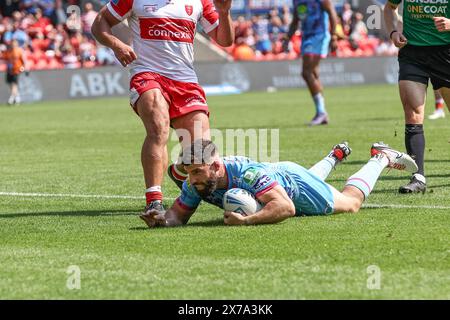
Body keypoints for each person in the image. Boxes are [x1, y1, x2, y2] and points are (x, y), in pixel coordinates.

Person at [91, 0, 234, 214]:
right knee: (159, 128)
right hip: (147, 73)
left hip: (185, 81)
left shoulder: (201, 2)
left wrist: (224, 12)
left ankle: (178, 171)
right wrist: (116, 44)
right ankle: (154, 201)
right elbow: (100, 23)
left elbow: (225, 40)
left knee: (201, 150)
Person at [139, 139, 417, 228]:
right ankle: (335, 156)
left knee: (351, 203)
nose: (193, 180)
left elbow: (285, 207)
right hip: (279, 177)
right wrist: (162, 219)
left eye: (197, 172)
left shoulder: (246, 174)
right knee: (309, 181)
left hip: (295, 186)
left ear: (215, 166)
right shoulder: (195, 181)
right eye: (189, 173)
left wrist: (247, 222)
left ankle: (381, 157)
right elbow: (179, 216)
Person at [384, 0, 450, 193]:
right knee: (413, 113)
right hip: (412, 54)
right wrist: (393, 32)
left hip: (445, 52)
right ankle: (418, 177)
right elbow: (389, 8)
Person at [283, 0, 338, 126]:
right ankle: (322, 112)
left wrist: (334, 36)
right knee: (313, 73)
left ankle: (321, 112)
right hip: (306, 37)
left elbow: (332, 13)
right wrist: (287, 38)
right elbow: (296, 20)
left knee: (306, 72)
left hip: (319, 36)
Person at [2, 39, 28, 105]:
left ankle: (12, 99)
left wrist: (25, 68)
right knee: (10, 84)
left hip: (16, 70)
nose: (13, 44)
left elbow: (24, 60)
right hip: (10, 70)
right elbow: (5, 59)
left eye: (14, 43)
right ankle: (16, 97)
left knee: (14, 84)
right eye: (12, 43)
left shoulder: (19, 51)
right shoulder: (9, 51)